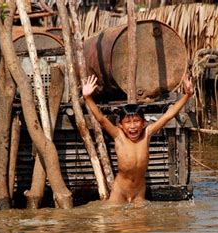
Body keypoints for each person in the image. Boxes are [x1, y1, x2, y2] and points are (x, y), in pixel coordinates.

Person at [82, 74, 194, 205]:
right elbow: (100, 118)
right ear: (121, 125)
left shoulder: (147, 134)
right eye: (128, 122)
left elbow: (167, 116)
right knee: (115, 222)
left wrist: (187, 95)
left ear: (143, 123)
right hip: (120, 191)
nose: (133, 126)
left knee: (141, 223)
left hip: (139, 191)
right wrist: (87, 97)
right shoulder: (119, 136)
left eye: (136, 121)